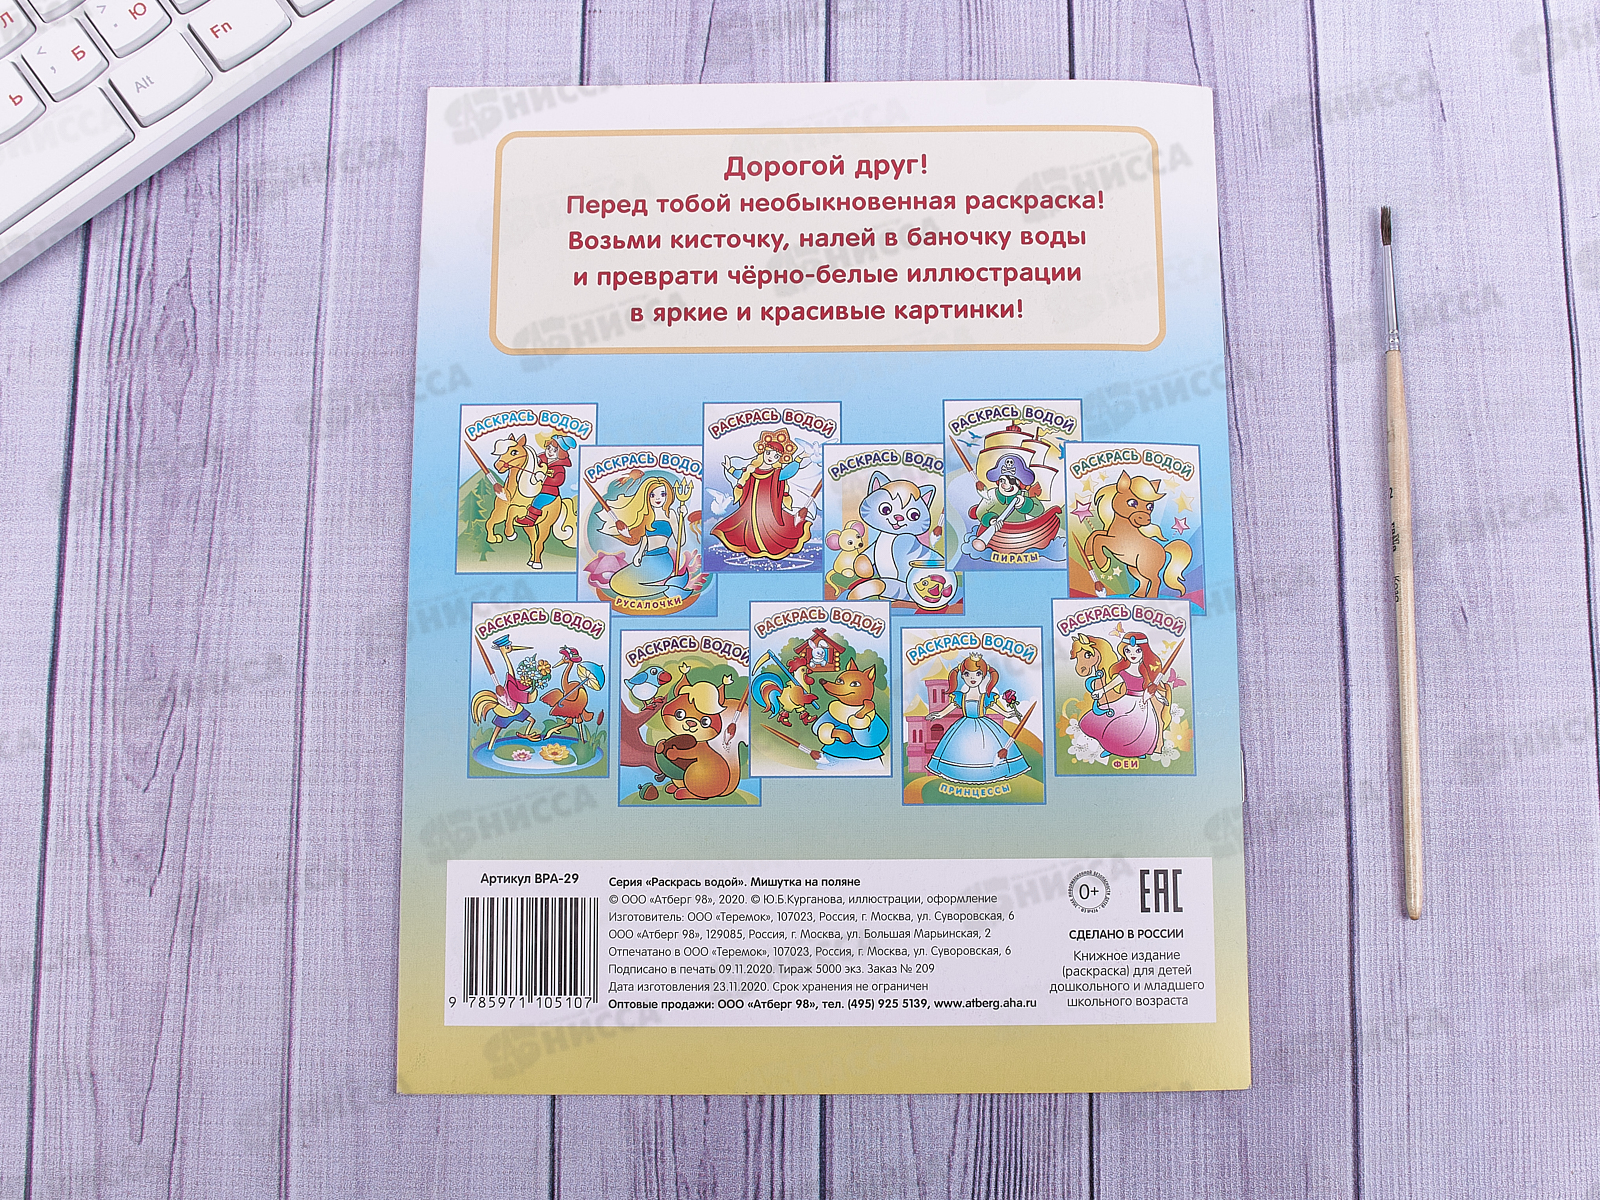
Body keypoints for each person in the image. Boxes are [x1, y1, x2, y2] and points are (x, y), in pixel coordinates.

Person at [926, 653, 1030, 783]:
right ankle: (960, 772)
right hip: (963, 728)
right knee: (960, 750)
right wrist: (939, 714)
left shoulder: (985, 697)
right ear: (962, 676)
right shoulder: (960, 696)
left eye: (978, 674)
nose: (972, 678)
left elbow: (999, 710)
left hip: (985, 727)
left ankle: (989, 773)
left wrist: (1008, 713)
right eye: (967, 674)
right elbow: (950, 708)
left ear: (984, 676)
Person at [712, 427, 812, 561]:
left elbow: (788, 472)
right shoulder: (751, 470)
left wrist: (799, 458)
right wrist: (730, 468)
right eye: (769, 453)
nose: (771, 457)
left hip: (769, 510)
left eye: (776, 456)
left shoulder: (776, 473)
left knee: (772, 530)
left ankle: (768, 546)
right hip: (749, 508)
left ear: (780, 459)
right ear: (763, 452)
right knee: (744, 527)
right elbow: (740, 474)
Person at [1077, 631, 1171, 759]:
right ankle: (1110, 747)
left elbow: (1151, 688)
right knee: (1113, 725)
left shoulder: (1145, 672)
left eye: (1137, 651)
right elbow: (1113, 684)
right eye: (1128, 650)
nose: (1133, 654)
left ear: (1144, 652)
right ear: (1124, 652)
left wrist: (1159, 697)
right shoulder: (1124, 672)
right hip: (1125, 701)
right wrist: (1100, 691)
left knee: (1140, 729)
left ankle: (1138, 750)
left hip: (1142, 704)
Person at [602, 475, 692, 599]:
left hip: (662, 560)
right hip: (647, 558)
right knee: (617, 582)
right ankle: (669, 588)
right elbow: (645, 538)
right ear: (646, 496)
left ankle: (670, 589)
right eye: (652, 495)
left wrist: (682, 518)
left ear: (668, 495)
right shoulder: (646, 514)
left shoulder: (670, 514)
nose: (658, 498)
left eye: (662, 494)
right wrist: (639, 554)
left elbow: (680, 542)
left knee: (619, 583)